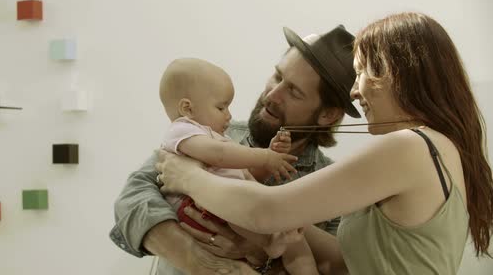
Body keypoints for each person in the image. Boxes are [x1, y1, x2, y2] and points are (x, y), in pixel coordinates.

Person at [156, 12, 493, 274]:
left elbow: (265, 211)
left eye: (362, 72)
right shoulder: (440, 149)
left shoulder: (411, 147)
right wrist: (280, 227)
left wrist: (187, 176)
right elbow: (344, 261)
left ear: (397, 73)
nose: (355, 90)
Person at [111, 25, 362, 274]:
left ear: (327, 114)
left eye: (294, 91)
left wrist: (258, 253)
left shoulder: (334, 188)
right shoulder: (210, 134)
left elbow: (336, 266)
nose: (272, 94)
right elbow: (132, 200)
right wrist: (200, 260)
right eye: (277, 76)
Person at [158, 57, 318, 272]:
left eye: (295, 92)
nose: (229, 115)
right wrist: (264, 157)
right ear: (187, 108)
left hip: (227, 201)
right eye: (221, 107)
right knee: (241, 208)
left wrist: (270, 155)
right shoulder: (183, 130)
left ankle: (288, 252)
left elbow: (237, 169)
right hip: (199, 210)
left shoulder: (211, 134)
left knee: (292, 232)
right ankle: (269, 241)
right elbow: (220, 155)